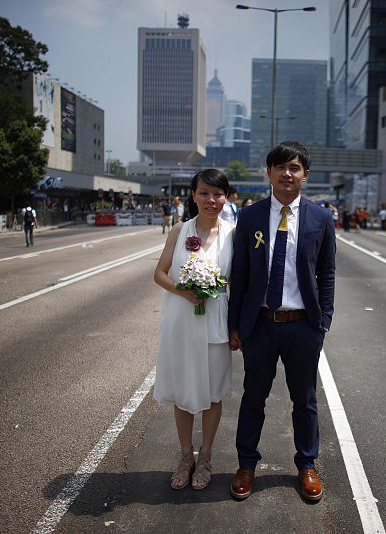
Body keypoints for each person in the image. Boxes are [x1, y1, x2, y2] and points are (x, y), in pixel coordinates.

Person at [228, 141, 336, 502]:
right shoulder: (251, 216)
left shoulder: (321, 218)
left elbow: (327, 273)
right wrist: (235, 325)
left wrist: (324, 322)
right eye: (280, 167)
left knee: (304, 400)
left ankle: (307, 464)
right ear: (269, 172)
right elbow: (240, 275)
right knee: (252, 397)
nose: (286, 174)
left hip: (302, 326)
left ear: (305, 174)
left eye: (294, 168)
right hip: (260, 324)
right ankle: (246, 464)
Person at [153, 168, 234, 492]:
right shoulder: (179, 230)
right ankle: (186, 456)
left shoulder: (234, 233)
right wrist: (182, 290)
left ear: (226, 197)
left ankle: (206, 457)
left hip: (216, 321)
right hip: (182, 321)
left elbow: (238, 282)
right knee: (184, 392)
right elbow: (159, 273)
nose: (211, 200)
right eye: (204, 193)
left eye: (217, 194)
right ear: (193, 195)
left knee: (213, 394)